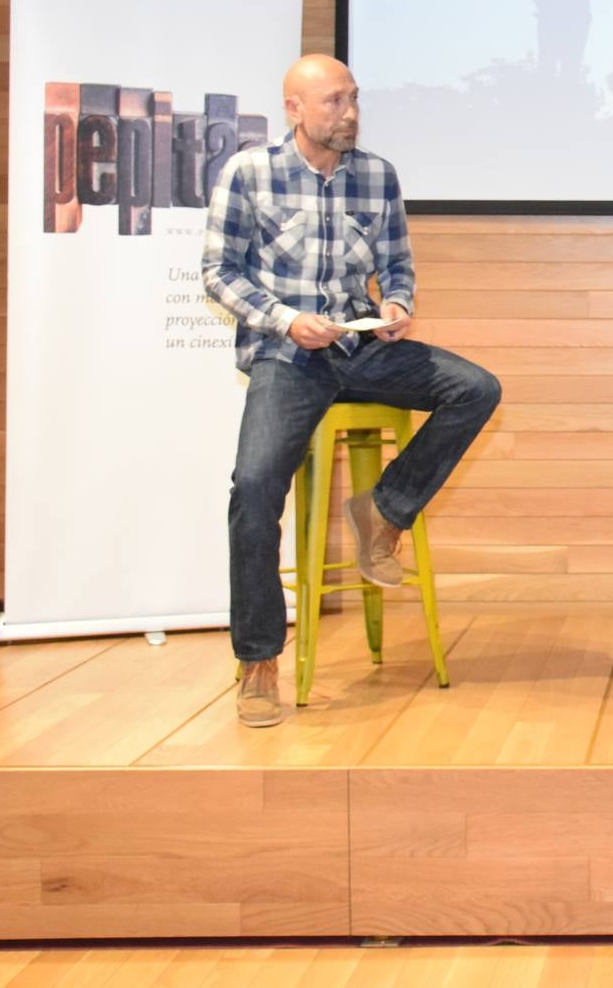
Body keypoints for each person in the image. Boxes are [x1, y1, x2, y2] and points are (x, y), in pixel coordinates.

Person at [202, 54, 501, 728]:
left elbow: (396, 265)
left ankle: (382, 512)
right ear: (295, 110)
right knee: (253, 489)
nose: (350, 113)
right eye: (334, 101)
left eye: (354, 99)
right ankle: (257, 663)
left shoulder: (376, 176)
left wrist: (395, 306)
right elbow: (218, 272)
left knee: (476, 389)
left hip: (359, 346)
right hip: (288, 354)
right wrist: (285, 319)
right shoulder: (250, 174)